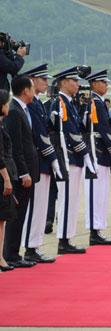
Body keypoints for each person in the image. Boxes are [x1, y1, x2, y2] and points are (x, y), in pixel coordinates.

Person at [50, 67, 93, 254]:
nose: (77, 84)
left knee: (73, 199)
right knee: (67, 199)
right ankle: (63, 239)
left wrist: (84, 107)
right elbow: (67, 132)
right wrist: (85, 153)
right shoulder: (60, 103)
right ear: (63, 82)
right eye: (73, 80)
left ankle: (68, 236)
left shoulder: (70, 103)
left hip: (74, 157)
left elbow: (80, 128)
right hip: (68, 156)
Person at [19, 64, 59, 263]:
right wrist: (53, 158)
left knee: (42, 207)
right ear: (32, 80)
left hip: (43, 161)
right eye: (43, 79)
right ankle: (29, 247)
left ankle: (34, 246)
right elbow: (39, 136)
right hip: (39, 160)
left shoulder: (39, 104)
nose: (46, 83)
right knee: (35, 208)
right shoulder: (32, 105)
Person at [84, 69, 111, 245]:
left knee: (102, 193)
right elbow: (103, 131)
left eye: (107, 83)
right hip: (98, 152)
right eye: (103, 82)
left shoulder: (99, 102)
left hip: (102, 153)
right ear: (94, 84)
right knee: (96, 192)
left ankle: (98, 228)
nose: (106, 85)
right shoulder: (95, 103)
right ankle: (94, 230)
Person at [3, 75, 38, 267]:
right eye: (32, 88)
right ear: (25, 90)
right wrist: (24, 172)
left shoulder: (22, 109)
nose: (34, 92)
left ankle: (13, 253)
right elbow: (16, 147)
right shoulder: (15, 111)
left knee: (21, 214)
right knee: (16, 216)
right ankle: (11, 254)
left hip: (27, 171)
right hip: (20, 174)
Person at [0, 89, 16, 271]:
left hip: (4, 175)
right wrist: (6, 179)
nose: (8, 106)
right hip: (1, 177)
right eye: (6, 103)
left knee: (2, 220)